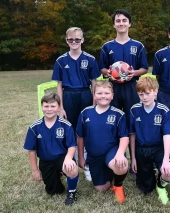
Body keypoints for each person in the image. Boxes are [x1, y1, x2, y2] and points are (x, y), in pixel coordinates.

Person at [99, 9, 149, 175]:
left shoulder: (138, 46)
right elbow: (102, 68)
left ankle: (136, 161)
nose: (121, 23)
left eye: (124, 20)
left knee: (133, 122)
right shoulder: (107, 47)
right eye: (118, 20)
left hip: (131, 88)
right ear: (114, 24)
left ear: (129, 23)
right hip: (113, 89)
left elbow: (144, 68)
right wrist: (112, 72)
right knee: (112, 121)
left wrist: (132, 73)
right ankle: (116, 159)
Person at [52, 27, 101, 181]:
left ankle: (87, 166)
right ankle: (69, 165)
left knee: (86, 131)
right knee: (70, 131)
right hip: (68, 95)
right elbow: (59, 84)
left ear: (82, 40)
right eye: (71, 39)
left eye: (77, 39)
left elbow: (94, 83)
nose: (74, 42)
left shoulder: (91, 59)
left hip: (85, 95)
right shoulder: (60, 60)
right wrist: (61, 106)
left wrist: (94, 104)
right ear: (67, 40)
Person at [76, 81, 129, 204]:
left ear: (112, 95)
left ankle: (118, 185)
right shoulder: (85, 113)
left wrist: (120, 154)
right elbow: (80, 137)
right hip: (94, 155)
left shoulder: (118, 114)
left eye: (107, 93)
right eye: (99, 93)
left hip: (112, 151)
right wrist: (80, 157)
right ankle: (108, 173)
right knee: (101, 188)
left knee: (121, 165)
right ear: (94, 95)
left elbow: (124, 137)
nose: (103, 96)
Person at [24, 92, 79, 205]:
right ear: (42, 107)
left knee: (71, 168)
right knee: (54, 191)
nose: (49, 109)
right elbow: (31, 150)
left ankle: (72, 192)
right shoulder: (34, 127)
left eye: (53, 106)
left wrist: (69, 158)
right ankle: (56, 175)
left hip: (61, 157)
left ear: (59, 108)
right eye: (46, 106)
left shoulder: (66, 125)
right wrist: (35, 170)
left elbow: (72, 145)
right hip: (46, 160)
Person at [129, 77, 170, 205]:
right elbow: (132, 135)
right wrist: (133, 158)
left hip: (159, 148)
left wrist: (166, 159)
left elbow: (167, 136)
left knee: (169, 172)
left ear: (156, 91)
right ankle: (149, 179)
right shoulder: (134, 110)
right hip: (141, 149)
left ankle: (161, 186)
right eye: (141, 94)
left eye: (147, 93)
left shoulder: (163, 110)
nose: (144, 97)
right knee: (146, 188)